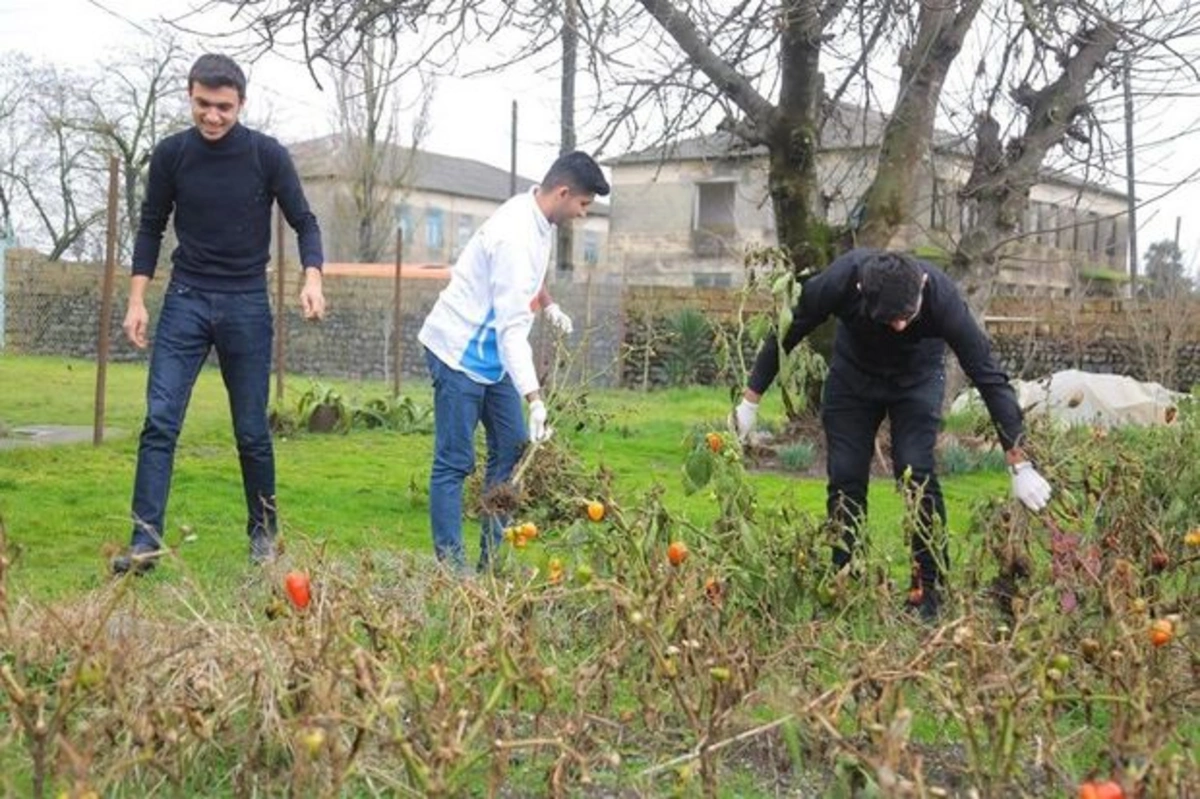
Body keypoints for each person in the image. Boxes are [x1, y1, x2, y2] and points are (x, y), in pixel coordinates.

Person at [731, 248, 1051, 619]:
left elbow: (989, 377)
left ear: (923, 287)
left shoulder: (943, 299)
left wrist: (1019, 463)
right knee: (846, 476)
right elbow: (786, 331)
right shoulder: (839, 280)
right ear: (860, 289)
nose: (899, 326)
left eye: (907, 316)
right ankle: (844, 581)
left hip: (916, 382)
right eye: (888, 318)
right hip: (852, 379)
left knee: (916, 470)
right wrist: (750, 403)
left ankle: (928, 590)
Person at [111, 54, 326, 575]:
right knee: (160, 422)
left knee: (251, 430)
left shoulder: (265, 155)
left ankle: (263, 536)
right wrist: (137, 299)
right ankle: (144, 542)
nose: (212, 116)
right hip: (185, 299)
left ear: (241, 104)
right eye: (203, 105)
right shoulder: (171, 156)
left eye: (223, 107)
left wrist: (313, 276)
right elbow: (149, 228)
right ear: (190, 96)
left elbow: (305, 221)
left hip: (246, 304)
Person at [418, 151, 609, 572]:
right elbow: (510, 332)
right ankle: (454, 572)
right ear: (563, 192)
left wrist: (550, 304)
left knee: (511, 446)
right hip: (459, 352)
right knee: (455, 462)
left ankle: (492, 562)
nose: (582, 214)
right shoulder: (514, 235)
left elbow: (528, 280)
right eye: (582, 204)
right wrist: (535, 398)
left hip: (491, 358)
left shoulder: (537, 218)